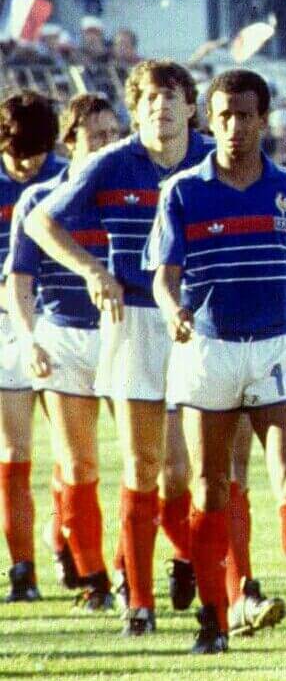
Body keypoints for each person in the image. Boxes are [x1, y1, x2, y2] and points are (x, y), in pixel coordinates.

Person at [145, 67, 286, 655]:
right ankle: (214, 617)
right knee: (210, 487)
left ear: (263, 119)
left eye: (245, 115)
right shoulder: (183, 191)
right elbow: (163, 277)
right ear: (209, 119)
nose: (234, 126)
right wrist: (172, 309)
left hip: (273, 348)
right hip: (207, 348)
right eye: (223, 115)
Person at [26, 61, 214, 636]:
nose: (160, 108)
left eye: (171, 97)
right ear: (137, 110)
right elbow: (40, 222)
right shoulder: (113, 163)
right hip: (133, 318)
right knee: (142, 465)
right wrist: (91, 271)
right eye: (149, 99)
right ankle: (140, 599)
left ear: (189, 106)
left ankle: (187, 560)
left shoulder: (211, 158)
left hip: (197, 322)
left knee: (185, 473)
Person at [5, 94, 121, 611]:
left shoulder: (116, 188)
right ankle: (38, 570)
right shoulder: (36, 198)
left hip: (111, 330)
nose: (29, 169)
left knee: (144, 464)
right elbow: (20, 274)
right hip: (41, 327)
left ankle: (89, 553)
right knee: (39, 457)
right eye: (93, 135)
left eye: (111, 135)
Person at [0, 92, 68, 601]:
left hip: (64, 321)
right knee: (14, 449)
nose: (25, 165)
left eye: (36, 154)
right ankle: (22, 568)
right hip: (7, 326)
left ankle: (66, 540)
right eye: (15, 154)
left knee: (72, 451)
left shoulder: (66, 178)